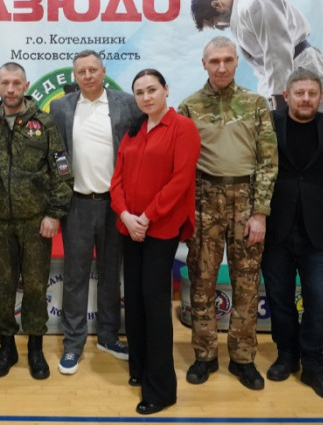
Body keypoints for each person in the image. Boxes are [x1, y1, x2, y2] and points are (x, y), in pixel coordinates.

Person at [178, 36, 278, 391]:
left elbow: (268, 161)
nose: (221, 67)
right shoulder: (189, 107)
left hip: (246, 200)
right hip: (204, 200)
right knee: (202, 281)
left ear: (237, 62)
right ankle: (204, 355)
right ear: (204, 64)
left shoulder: (255, 104)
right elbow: (180, 163)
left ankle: (243, 358)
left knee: (247, 283)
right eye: (214, 61)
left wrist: (260, 212)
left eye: (227, 60)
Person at [110, 69, 200, 415]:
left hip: (160, 230)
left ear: (166, 90)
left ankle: (161, 390)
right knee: (134, 301)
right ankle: (140, 368)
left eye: (152, 90)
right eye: (139, 92)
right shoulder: (134, 130)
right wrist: (125, 215)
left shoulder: (183, 128)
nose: (146, 97)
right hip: (130, 228)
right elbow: (117, 179)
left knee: (155, 304)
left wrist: (146, 217)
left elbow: (180, 180)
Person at [0, 61, 74, 381]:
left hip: (36, 223)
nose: (11, 89)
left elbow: (62, 171)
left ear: (26, 85)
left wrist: (54, 214)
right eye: (5, 83)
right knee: (0, 286)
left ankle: (35, 346)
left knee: (35, 286)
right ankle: (6, 347)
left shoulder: (44, 124)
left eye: (16, 83)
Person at [48, 50, 140, 375]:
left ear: (103, 71)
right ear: (75, 76)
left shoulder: (126, 103)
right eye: (81, 71)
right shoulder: (60, 107)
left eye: (92, 70)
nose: (87, 76)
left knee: (111, 273)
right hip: (77, 204)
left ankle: (108, 336)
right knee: (75, 276)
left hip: (116, 205)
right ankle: (73, 344)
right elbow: (56, 156)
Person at [262, 67, 323, 400]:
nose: (306, 99)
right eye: (299, 93)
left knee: (319, 300)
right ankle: (286, 355)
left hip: (317, 231)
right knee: (279, 299)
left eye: (312, 93)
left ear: (321, 96)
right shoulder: (268, 124)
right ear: (286, 96)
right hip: (275, 229)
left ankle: (313, 363)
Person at [189, 0, 323, 109]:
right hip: (283, 77)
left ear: (217, 5)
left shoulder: (254, 2)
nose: (221, 28)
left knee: (307, 131)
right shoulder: (242, 9)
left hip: (296, 70)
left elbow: (278, 51)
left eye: (215, 24)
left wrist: (279, 98)